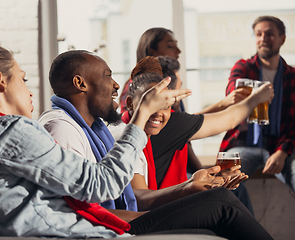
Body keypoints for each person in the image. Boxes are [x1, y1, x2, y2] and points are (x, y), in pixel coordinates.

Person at [0, 42, 194, 238]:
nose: (29, 89)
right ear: (0, 80)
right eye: (23, 79)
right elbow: (101, 186)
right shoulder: (8, 132)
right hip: (64, 233)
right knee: (219, 206)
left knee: (216, 205)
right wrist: (142, 114)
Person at [39, 49, 274, 239]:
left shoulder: (95, 130)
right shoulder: (62, 128)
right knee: (221, 203)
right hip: (101, 228)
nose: (116, 85)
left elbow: (135, 195)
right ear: (80, 83)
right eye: (107, 75)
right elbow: (78, 212)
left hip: (114, 219)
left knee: (220, 201)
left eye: (167, 105)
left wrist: (190, 187)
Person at [116, 56, 272, 212]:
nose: (158, 111)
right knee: (228, 203)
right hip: (156, 212)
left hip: (159, 202)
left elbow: (191, 121)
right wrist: (257, 98)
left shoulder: (149, 123)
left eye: (165, 105)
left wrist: (193, 183)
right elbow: (229, 120)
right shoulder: (161, 126)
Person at [220, 15, 295, 192]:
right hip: (242, 143)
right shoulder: (244, 67)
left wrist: (282, 152)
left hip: (280, 145)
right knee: (223, 182)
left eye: (269, 34)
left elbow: (293, 124)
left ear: (282, 39)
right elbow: (233, 94)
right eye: (259, 34)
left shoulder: (292, 76)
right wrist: (256, 96)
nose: (263, 39)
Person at [119, 27, 180, 113]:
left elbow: (180, 119)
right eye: (170, 46)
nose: (178, 51)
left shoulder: (172, 77)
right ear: (152, 51)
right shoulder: (139, 86)